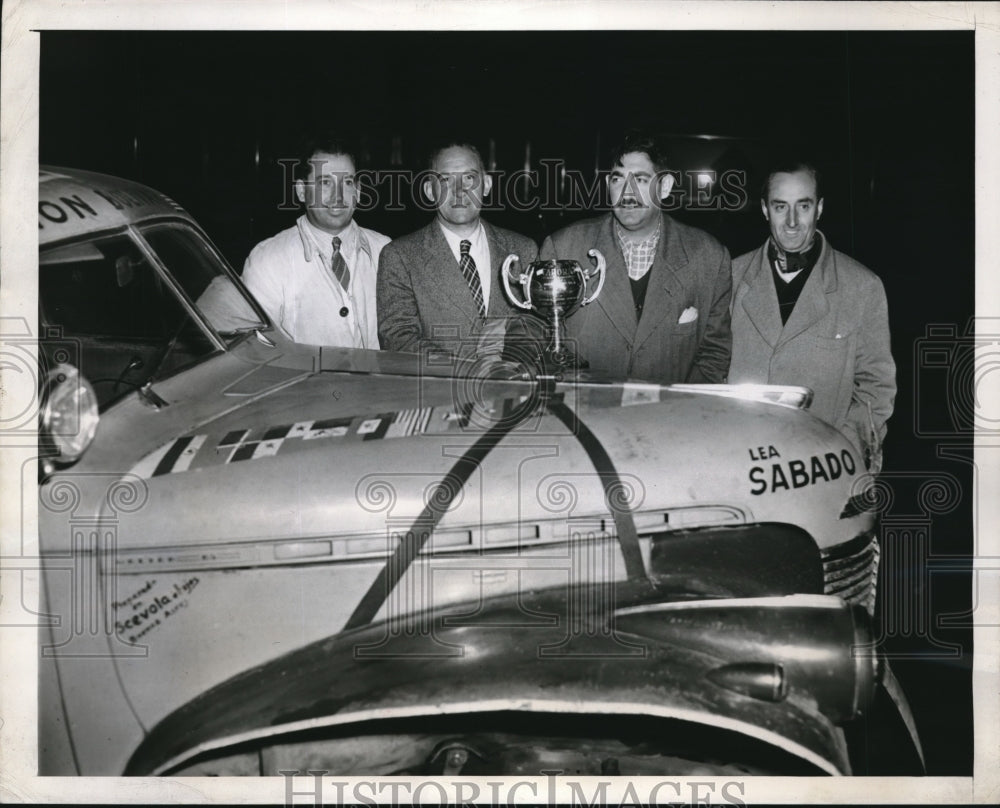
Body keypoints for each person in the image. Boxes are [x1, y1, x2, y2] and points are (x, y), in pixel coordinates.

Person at [729, 161, 896, 468]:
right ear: (765, 209)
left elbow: (876, 389)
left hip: (822, 471)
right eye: (780, 207)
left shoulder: (862, 287)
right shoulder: (730, 277)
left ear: (819, 208)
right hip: (739, 464)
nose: (792, 221)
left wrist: (837, 455)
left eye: (802, 206)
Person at [537, 132, 732, 384]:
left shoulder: (709, 257)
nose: (627, 192)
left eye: (640, 179)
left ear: (664, 187)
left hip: (669, 417)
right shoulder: (564, 247)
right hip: (584, 413)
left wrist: (682, 409)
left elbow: (714, 354)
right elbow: (537, 333)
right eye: (618, 179)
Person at [376, 142, 538, 360]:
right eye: (445, 180)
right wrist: (467, 370)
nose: (459, 190)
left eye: (469, 178)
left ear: (487, 185)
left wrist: (513, 331)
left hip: (512, 389)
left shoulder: (523, 249)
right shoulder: (399, 256)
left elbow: (544, 325)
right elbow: (398, 340)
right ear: (429, 191)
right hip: (439, 390)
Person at [242, 135, 390, 348]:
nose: (338, 195)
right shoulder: (267, 260)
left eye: (347, 182)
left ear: (357, 191)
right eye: (325, 183)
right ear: (302, 191)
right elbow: (256, 351)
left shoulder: (386, 251)